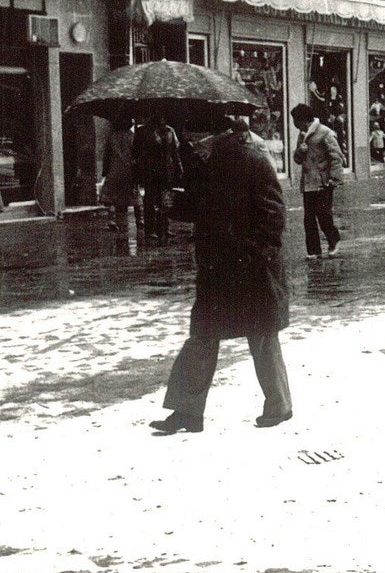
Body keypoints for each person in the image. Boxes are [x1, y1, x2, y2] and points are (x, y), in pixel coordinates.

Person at [150, 116, 292, 435]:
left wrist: (253, 250)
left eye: (197, 141)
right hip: (217, 269)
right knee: (202, 336)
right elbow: (204, 210)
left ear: (216, 137)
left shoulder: (255, 161)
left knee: (263, 335)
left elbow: (274, 216)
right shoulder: (205, 166)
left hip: (252, 268)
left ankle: (279, 404)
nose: (193, 147)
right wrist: (175, 204)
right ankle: (187, 412)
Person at [290, 102, 344, 257]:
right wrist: (300, 151)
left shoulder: (325, 132)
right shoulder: (302, 135)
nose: (294, 124)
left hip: (323, 182)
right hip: (308, 183)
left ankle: (334, 240)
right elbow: (297, 159)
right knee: (309, 218)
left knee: (323, 215)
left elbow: (336, 156)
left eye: (296, 121)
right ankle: (313, 251)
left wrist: (334, 178)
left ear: (304, 120)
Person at [132, 114, 182, 242]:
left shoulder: (170, 131)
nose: (162, 118)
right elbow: (136, 151)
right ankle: (150, 229)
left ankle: (164, 227)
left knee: (165, 198)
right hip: (150, 169)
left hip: (166, 169)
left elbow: (174, 151)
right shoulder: (143, 131)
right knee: (150, 198)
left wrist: (178, 166)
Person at [100, 116, 140, 234]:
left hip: (114, 170)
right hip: (129, 171)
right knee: (134, 195)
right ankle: (140, 220)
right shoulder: (133, 137)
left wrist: (105, 171)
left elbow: (106, 156)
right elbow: (137, 154)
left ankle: (112, 220)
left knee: (111, 197)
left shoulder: (112, 137)